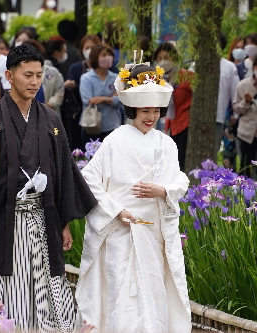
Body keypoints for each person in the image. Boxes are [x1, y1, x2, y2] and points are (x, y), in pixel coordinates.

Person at [0, 44, 97, 332]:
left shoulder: (50, 119)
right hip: (1, 221)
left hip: (42, 219)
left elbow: (64, 172)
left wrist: (63, 222)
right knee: (3, 281)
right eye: (27, 75)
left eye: (39, 75)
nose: (34, 82)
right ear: (9, 76)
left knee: (44, 280)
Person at [76, 63, 192, 333]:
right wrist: (117, 210)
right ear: (133, 110)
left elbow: (179, 180)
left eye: (155, 111)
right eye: (145, 111)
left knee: (152, 294)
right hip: (121, 229)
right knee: (121, 293)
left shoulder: (166, 143)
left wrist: (162, 191)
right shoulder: (115, 141)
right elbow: (89, 179)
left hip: (153, 233)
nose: (151, 117)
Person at [155, 42, 191, 171]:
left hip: (185, 123)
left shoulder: (186, 76)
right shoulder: (160, 79)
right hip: (170, 124)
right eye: (159, 59)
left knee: (181, 159)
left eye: (166, 58)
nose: (162, 61)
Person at [79, 43, 123, 143]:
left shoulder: (116, 78)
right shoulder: (86, 78)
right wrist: (111, 98)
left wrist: (102, 99)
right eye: (103, 55)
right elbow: (88, 100)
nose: (108, 57)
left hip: (112, 125)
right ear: (95, 57)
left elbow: (121, 101)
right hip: (92, 126)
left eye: (109, 55)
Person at [65, 34, 101, 150]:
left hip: (105, 115)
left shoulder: (107, 68)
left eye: (93, 47)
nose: (90, 51)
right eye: (86, 48)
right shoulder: (76, 68)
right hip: (81, 114)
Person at [22, 39, 64, 117]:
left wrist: (48, 105)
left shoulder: (53, 72)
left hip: (48, 116)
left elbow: (59, 93)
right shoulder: (18, 73)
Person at [215, 34, 240, 161]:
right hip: (193, 120)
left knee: (213, 153)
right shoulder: (194, 65)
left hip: (218, 117)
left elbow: (235, 93)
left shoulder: (229, 67)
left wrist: (235, 115)